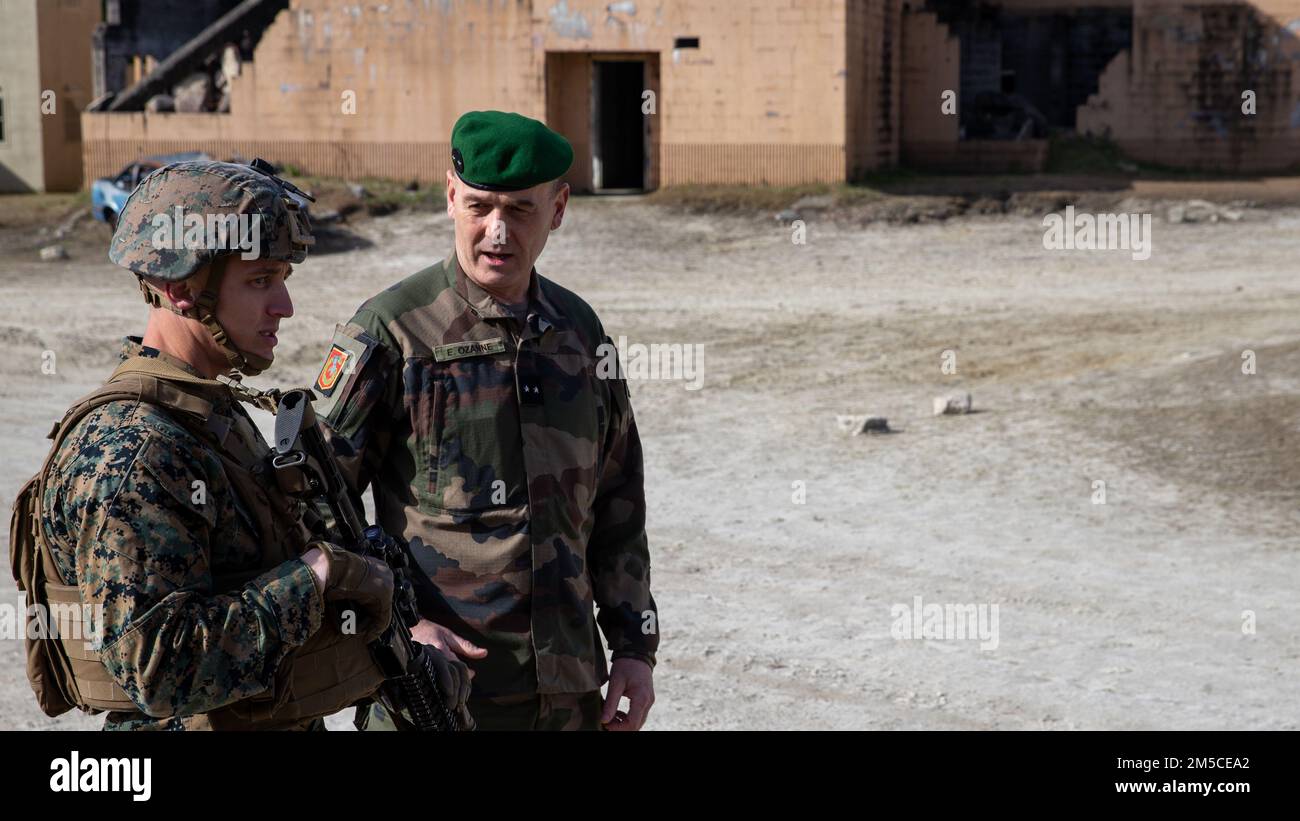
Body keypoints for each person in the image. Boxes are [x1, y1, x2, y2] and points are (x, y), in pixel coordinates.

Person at [11, 159, 466, 730]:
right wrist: (316, 578)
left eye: (282, 280)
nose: (284, 306)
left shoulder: (211, 413)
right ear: (182, 290)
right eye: (259, 282)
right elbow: (158, 668)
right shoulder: (136, 452)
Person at [313, 111, 659, 730]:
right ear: (451, 197)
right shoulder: (391, 331)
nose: (497, 231)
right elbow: (313, 504)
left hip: (569, 695)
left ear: (558, 208)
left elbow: (617, 501)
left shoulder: (580, 331)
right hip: (436, 695)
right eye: (478, 206)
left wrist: (634, 649)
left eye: (521, 210)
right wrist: (399, 626)